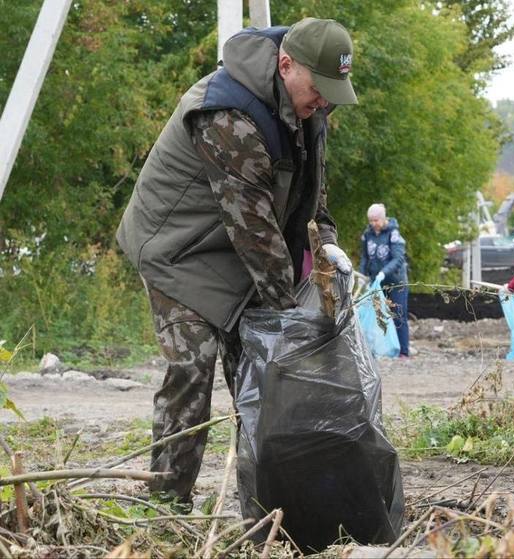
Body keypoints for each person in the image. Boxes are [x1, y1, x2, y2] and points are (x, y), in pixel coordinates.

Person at [116, 18, 358, 510]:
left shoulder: (308, 107)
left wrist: (328, 247)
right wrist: (290, 323)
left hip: (237, 251)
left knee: (261, 382)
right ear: (286, 65)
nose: (325, 103)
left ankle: (269, 512)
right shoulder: (227, 114)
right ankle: (167, 508)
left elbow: (313, 192)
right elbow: (254, 233)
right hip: (179, 250)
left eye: (333, 93)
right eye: (319, 90)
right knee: (193, 368)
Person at [359, 203, 410, 357]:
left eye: (376, 220)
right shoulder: (367, 234)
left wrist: (383, 272)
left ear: (383, 219)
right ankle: (382, 350)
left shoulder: (393, 234)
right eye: (371, 221)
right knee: (378, 315)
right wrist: (363, 275)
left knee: (398, 314)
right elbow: (365, 257)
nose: (374, 224)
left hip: (396, 282)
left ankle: (403, 351)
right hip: (377, 283)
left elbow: (398, 259)